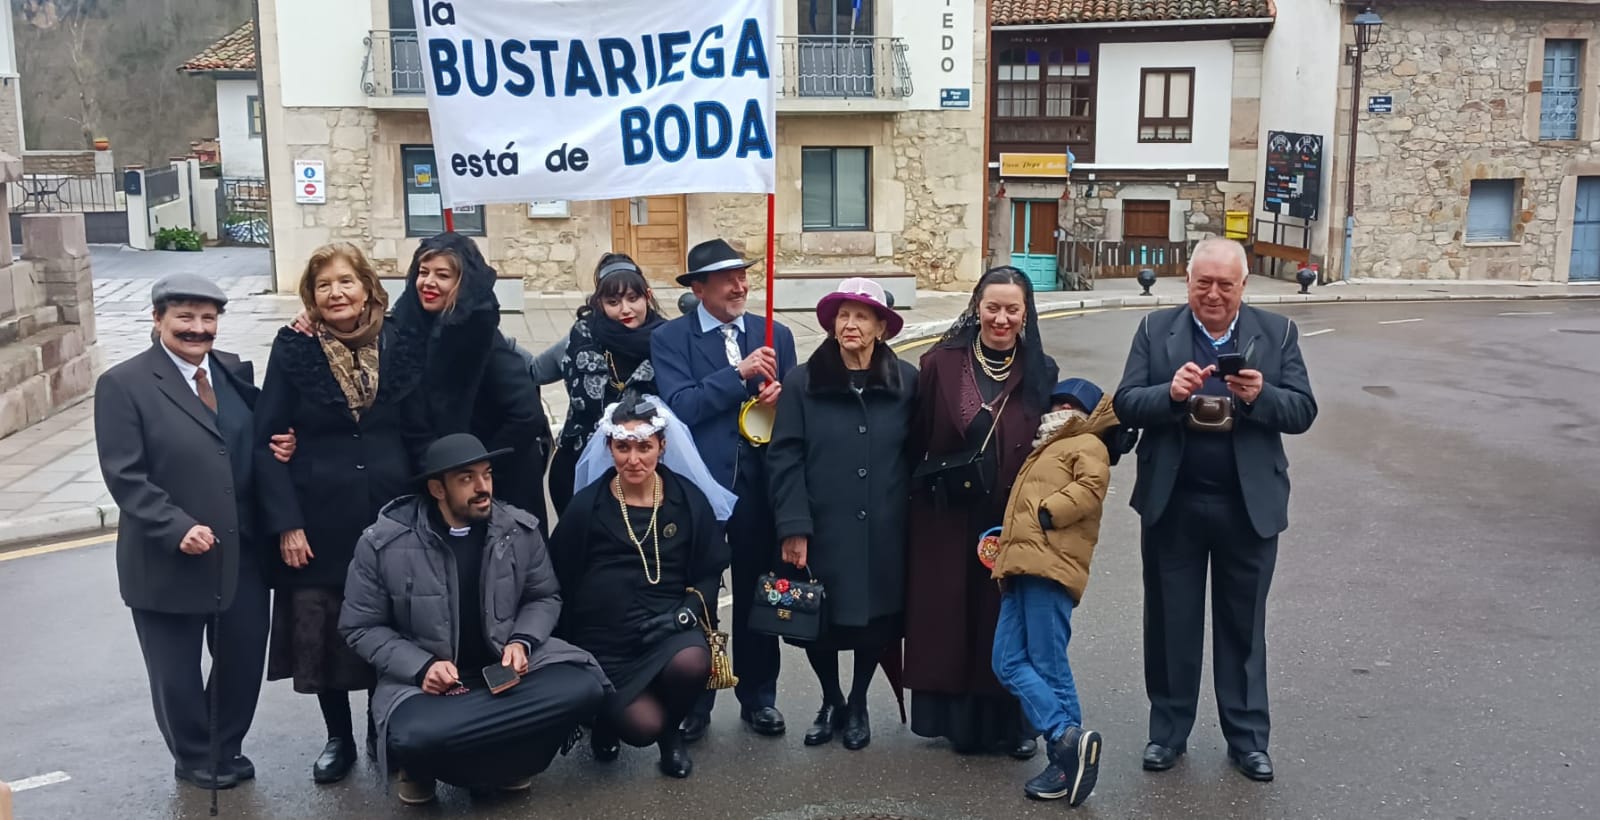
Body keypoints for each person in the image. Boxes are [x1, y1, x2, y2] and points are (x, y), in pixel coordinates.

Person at [1113, 237, 1317, 783]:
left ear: (1243, 286)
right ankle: (1168, 734)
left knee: (1242, 627)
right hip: (1173, 503)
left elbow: (1302, 411)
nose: (1214, 294)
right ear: (1187, 281)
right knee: (1170, 624)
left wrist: (1259, 396)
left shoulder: (1278, 334)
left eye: (1226, 284)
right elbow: (1126, 403)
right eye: (1204, 282)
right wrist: (1170, 395)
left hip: (1247, 506)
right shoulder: (1156, 332)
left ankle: (1248, 740)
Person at [340, 434, 610, 805]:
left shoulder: (518, 529)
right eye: (466, 479)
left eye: (487, 474)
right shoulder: (382, 543)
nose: (483, 487)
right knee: (413, 736)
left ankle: (503, 760)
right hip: (429, 686)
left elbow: (544, 596)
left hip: (509, 673)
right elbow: (360, 626)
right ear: (437, 488)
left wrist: (522, 641)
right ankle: (463, 763)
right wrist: (421, 668)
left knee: (584, 687)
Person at [254, 243, 430, 785]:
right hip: (317, 518)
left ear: (367, 287)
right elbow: (268, 440)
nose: (336, 293)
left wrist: (428, 511)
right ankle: (339, 738)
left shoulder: (400, 340)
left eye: (346, 281)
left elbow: (418, 430)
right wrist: (287, 522)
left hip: (391, 512)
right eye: (324, 284)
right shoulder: (294, 348)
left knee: (391, 628)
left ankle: (384, 730)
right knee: (323, 633)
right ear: (311, 294)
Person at [94, 275, 272, 790]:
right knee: (175, 674)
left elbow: (249, 439)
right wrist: (177, 526)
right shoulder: (123, 385)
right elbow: (125, 475)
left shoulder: (233, 372)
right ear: (157, 319)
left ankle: (226, 747)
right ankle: (194, 757)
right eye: (185, 318)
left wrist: (278, 445)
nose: (198, 329)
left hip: (239, 553)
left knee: (241, 659)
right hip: (167, 557)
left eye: (208, 318)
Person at [290, 233, 552, 533]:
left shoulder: (481, 336)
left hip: (488, 495)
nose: (428, 283)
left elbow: (525, 416)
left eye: (443, 275)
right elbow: (360, 327)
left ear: (463, 283)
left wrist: (474, 468)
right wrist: (314, 317)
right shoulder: (405, 323)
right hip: (432, 481)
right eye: (423, 272)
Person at [904, 266, 1059, 759]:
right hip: (947, 517)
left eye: (1012, 309)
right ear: (976, 306)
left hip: (1010, 519)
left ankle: (1012, 725)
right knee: (952, 616)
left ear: (1025, 313)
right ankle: (959, 724)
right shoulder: (938, 364)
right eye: (992, 307)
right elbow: (917, 438)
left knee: (1005, 620)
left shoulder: (1040, 369)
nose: (1001, 318)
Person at [652, 238, 797, 741]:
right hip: (701, 491)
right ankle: (696, 700)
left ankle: (760, 697)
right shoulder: (671, 339)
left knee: (762, 594)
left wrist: (783, 400)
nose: (740, 285)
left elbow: (793, 418)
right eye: (726, 278)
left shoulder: (773, 330)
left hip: (761, 490)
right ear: (698, 288)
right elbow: (683, 407)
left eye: (742, 274)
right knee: (700, 597)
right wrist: (739, 374)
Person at [549, 392, 736, 778]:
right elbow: (559, 575)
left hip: (667, 626)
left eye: (644, 447)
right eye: (623, 447)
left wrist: (686, 613)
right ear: (609, 448)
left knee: (691, 662)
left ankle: (671, 738)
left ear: (662, 447)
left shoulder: (687, 500)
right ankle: (605, 717)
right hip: (606, 640)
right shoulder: (588, 506)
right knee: (639, 727)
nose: (633, 459)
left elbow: (709, 567)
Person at [766, 278, 916, 751]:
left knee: (875, 622)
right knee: (817, 619)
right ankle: (830, 699)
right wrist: (793, 525)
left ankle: (858, 701)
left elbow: (918, 449)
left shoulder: (906, 381)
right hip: (820, 526)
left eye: (861, 316)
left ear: (881, 327)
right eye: (842, 316)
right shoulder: (802, 381)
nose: (849, 324)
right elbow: (784, 455)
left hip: (885, 526)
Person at [990, 378, 1119, 804]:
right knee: (1006, 661)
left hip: (1050, 566)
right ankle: (1068, 736)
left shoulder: (1088, 443)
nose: (1061, 409)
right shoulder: (1045, 447)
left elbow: (1090, 488)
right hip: (1020, 566)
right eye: (1057, 402)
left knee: (1048, 662)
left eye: (1071, 404)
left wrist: (1048, 514)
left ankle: (1065, 765)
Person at [550, 253, 667, 513]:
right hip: (579, 459)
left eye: (633, 299)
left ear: (647, 296)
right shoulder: (584, 333)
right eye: (613, 301)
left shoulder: (667, 337)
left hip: (644, 468)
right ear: (600, 304)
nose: (625, 309)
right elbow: (541, 371)